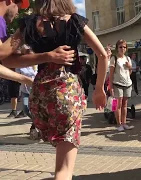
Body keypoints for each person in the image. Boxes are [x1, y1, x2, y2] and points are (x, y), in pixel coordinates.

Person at [0, 0, 108, 179]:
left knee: (59, 151)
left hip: (40, 94)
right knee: (64, 170)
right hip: (67, 91)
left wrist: (43, 57)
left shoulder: (29, 24)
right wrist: (99, 89)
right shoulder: (75, 21)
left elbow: (5, 58)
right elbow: (102, 55)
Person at [0, 0, 76, 86]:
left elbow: (6, 60)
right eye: (19, 7)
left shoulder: (3, 24)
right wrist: (23, 30)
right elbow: (2, 55)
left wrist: (24, 79)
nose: (17, 12)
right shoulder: (74, 22)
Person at [109, 39, 134, 132]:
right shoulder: (114, 58)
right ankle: (118, 124)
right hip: (117, 84)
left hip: (127, 84)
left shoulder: (128, 58)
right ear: (117, 48)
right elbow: (111, 74)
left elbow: (130, 71)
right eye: (120, 47)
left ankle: (124, 123)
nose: (122, 49)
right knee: (117, 105)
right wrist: (110, 86)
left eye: (124, 47)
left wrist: (129, 67)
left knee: (125, 105)